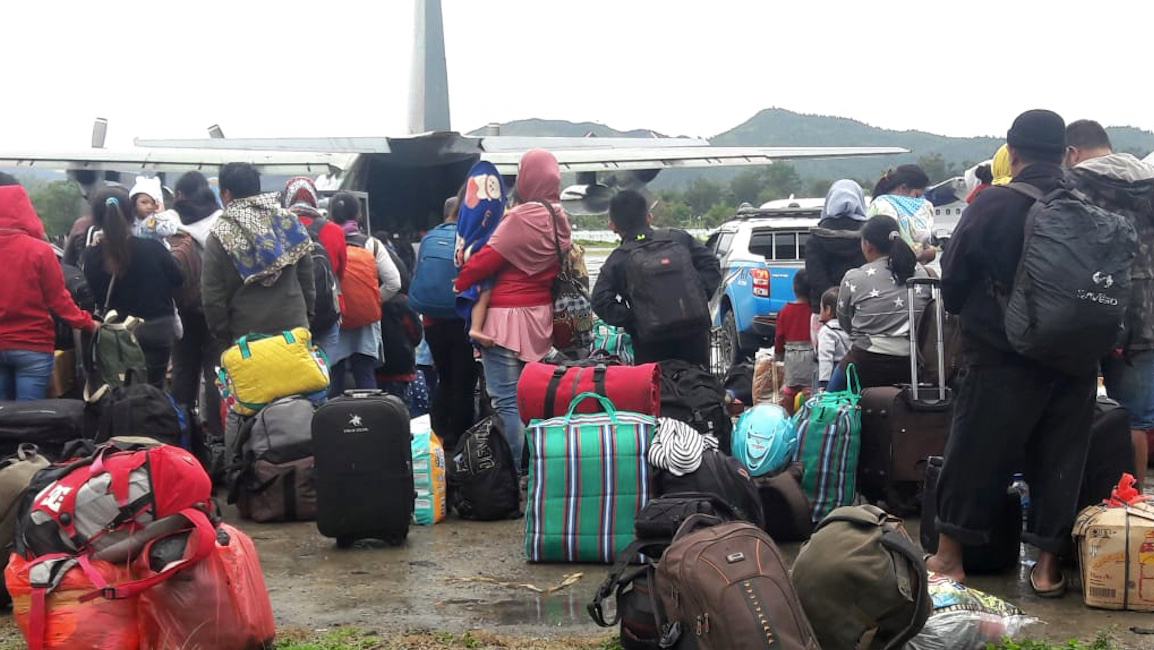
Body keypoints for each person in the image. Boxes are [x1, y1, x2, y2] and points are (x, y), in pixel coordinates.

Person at [928, 110, 1093, 597]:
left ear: (1012, 152)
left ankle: (950, 559)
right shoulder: (1089, 206)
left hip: (1001, 357)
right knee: (1060, 461)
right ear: (1066, 154)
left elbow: (953, 285)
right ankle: (1047, 570)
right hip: (1075, 361)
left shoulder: (992, 203)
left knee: (974, 453)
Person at [454, 149, 571, 469]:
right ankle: (538, 469)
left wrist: (460, 278)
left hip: (504, 320)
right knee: (532, 401)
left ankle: (514, 474)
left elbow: (484, 261)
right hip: (539, 317)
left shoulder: (521, 218)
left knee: (506, 401)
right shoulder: (558, 216)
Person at [1066, 119, 1154, 489]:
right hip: (1146, 313)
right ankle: (1132, 502)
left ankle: (1080, 497)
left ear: (1071, 153)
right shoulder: (1149, 183)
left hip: (1087, 309)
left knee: (1071, 412)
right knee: (1136, 418)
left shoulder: (1072, 185)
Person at [592, 189, 721, 366]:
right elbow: (711, 265)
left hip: (650, 342)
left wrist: (634, 318)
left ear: (613, 226)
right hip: (694, 334)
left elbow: (599, 300)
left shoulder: (619, 258)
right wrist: (699, 296)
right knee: (699, 385)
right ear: (649, 217)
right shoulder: (678, 238)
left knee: (656, 389)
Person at [201, 163, 315, 351]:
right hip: (294, 330)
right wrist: (306, 316)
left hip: (247, 339)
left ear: (226, 194)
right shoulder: (288, 220)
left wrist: (224, 335)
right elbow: (307, 277)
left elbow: (212, 298)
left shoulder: (219, 235)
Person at [0, 183, 97, 400]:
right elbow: (59, 300)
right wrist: (87, 323)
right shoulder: (40, 251)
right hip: (33, 345)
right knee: (30, 418)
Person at [82, 187, 184, 387]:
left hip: (116, 335)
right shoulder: (153, 248)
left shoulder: (92, 256)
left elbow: (92, 293)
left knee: (118, 390)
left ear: (96, 218)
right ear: (131, 213)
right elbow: (179, 278)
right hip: (156, 330)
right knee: (153, 391)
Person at [826, 215, 930, 392]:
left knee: (828, 405)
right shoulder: (923, 274)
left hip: (865, 361)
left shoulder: (855, 277)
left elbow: (845, 322)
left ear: (867, 245)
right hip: (912, 363)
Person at [417, 195, 479, 450]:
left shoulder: (428, 238)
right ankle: (461, 444)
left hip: (433, 322)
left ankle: (438, 437)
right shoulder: (472, 238)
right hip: (463, 319)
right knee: (465, 383)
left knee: (445, 378)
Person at [326, 192, 401, 394]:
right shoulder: (372, 244)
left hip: (335, 321)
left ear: (331, 216)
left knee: (334, 378)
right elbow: (394, 283)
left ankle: (333, 423)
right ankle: (370, 421)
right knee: (365, 376)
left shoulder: (325, 243)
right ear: (358, 216)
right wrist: (371, 300)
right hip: (365, 323)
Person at [168, 172, 224, 437]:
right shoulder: (220, 220)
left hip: (182, 310)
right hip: (216, 309)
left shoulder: (171, 220)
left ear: (179, 195)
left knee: (182, 372)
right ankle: (216, 436)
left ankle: (183, 433)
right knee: (216, 374)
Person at [282, 176, 345, 355]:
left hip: (290, 317)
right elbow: (339, 275)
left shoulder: (277, 229)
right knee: (323, 375)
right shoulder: (334, 231)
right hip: (325, 314)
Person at [805, 180, 869, 309]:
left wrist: (834, 301)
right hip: (861, 306)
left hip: (825, 310)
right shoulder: (868, 236)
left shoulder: (816, 236)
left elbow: (815, 277)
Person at [868, 165, 937, 264]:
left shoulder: (881, 205)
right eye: (917, 195)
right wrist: (929, 253)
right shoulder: (883, 208)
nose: (920, 201)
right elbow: (898, 252)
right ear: (903, 188)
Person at [775, 270, 815, 412]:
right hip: (811, 353)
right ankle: (809, 417)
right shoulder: (813, 310)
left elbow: (779, 336)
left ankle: (787, 416)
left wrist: (778, 354)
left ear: (793, 288)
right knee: (809, 389)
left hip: (792, 354)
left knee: (790, 388)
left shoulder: (785, 311)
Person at [816, 287, 850, 390]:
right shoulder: (852, 327)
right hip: (850, 371)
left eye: (821, 308)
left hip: (833, 373)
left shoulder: (827, 331)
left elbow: (825, 358)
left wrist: (824, 383)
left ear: (828, 309)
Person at [129, 176, 180, 242]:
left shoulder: (158, 219)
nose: (149, 206)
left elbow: (168, 231)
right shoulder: (130, 219)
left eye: (153, 203)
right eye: (144, 202)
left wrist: (160, 215)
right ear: (134, 202)